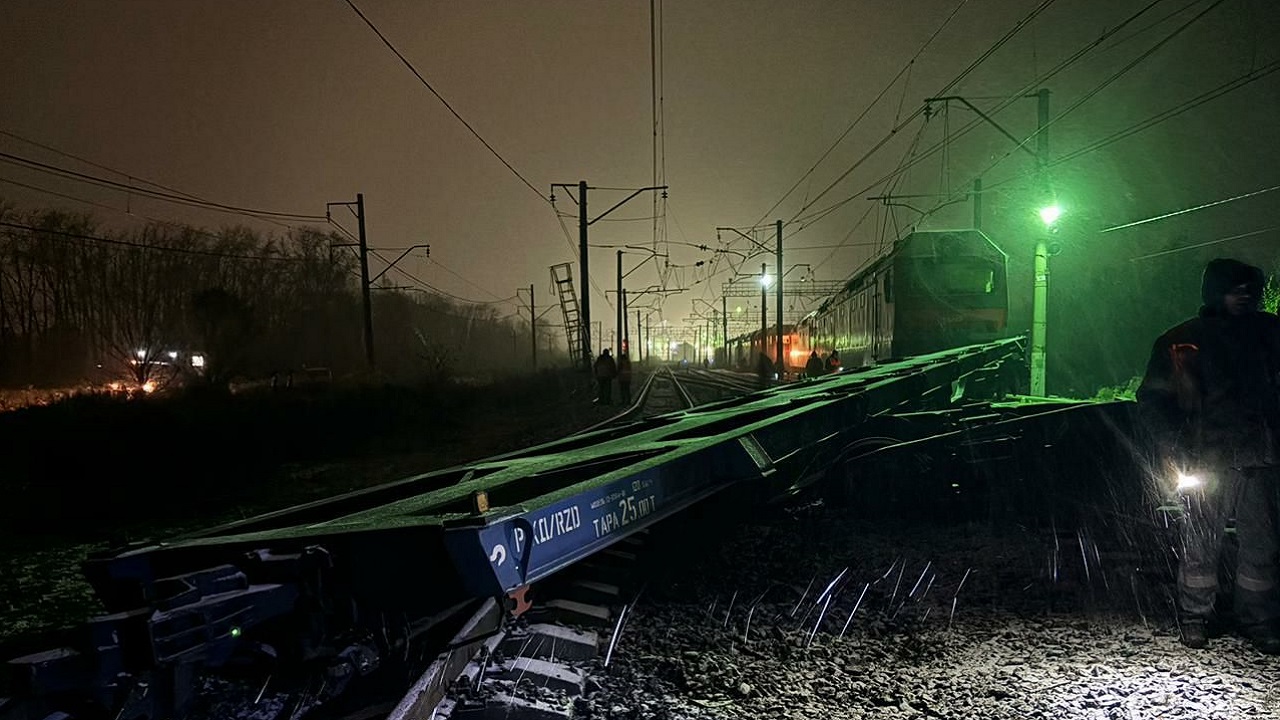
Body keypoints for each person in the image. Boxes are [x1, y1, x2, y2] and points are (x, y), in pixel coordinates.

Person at [1137, 258, 1280, 654]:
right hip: (1206, 458)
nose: (1245, 297)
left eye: (1250, 290)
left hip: (1259, 456)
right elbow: (1153, 400)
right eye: (1236, 289)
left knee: (1262, 545)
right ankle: (1195, 615)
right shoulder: (1184, 340)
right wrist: (1174, 445)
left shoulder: (1270, 334)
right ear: (1217, 292)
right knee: (1201, 541)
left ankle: (1259, 618)